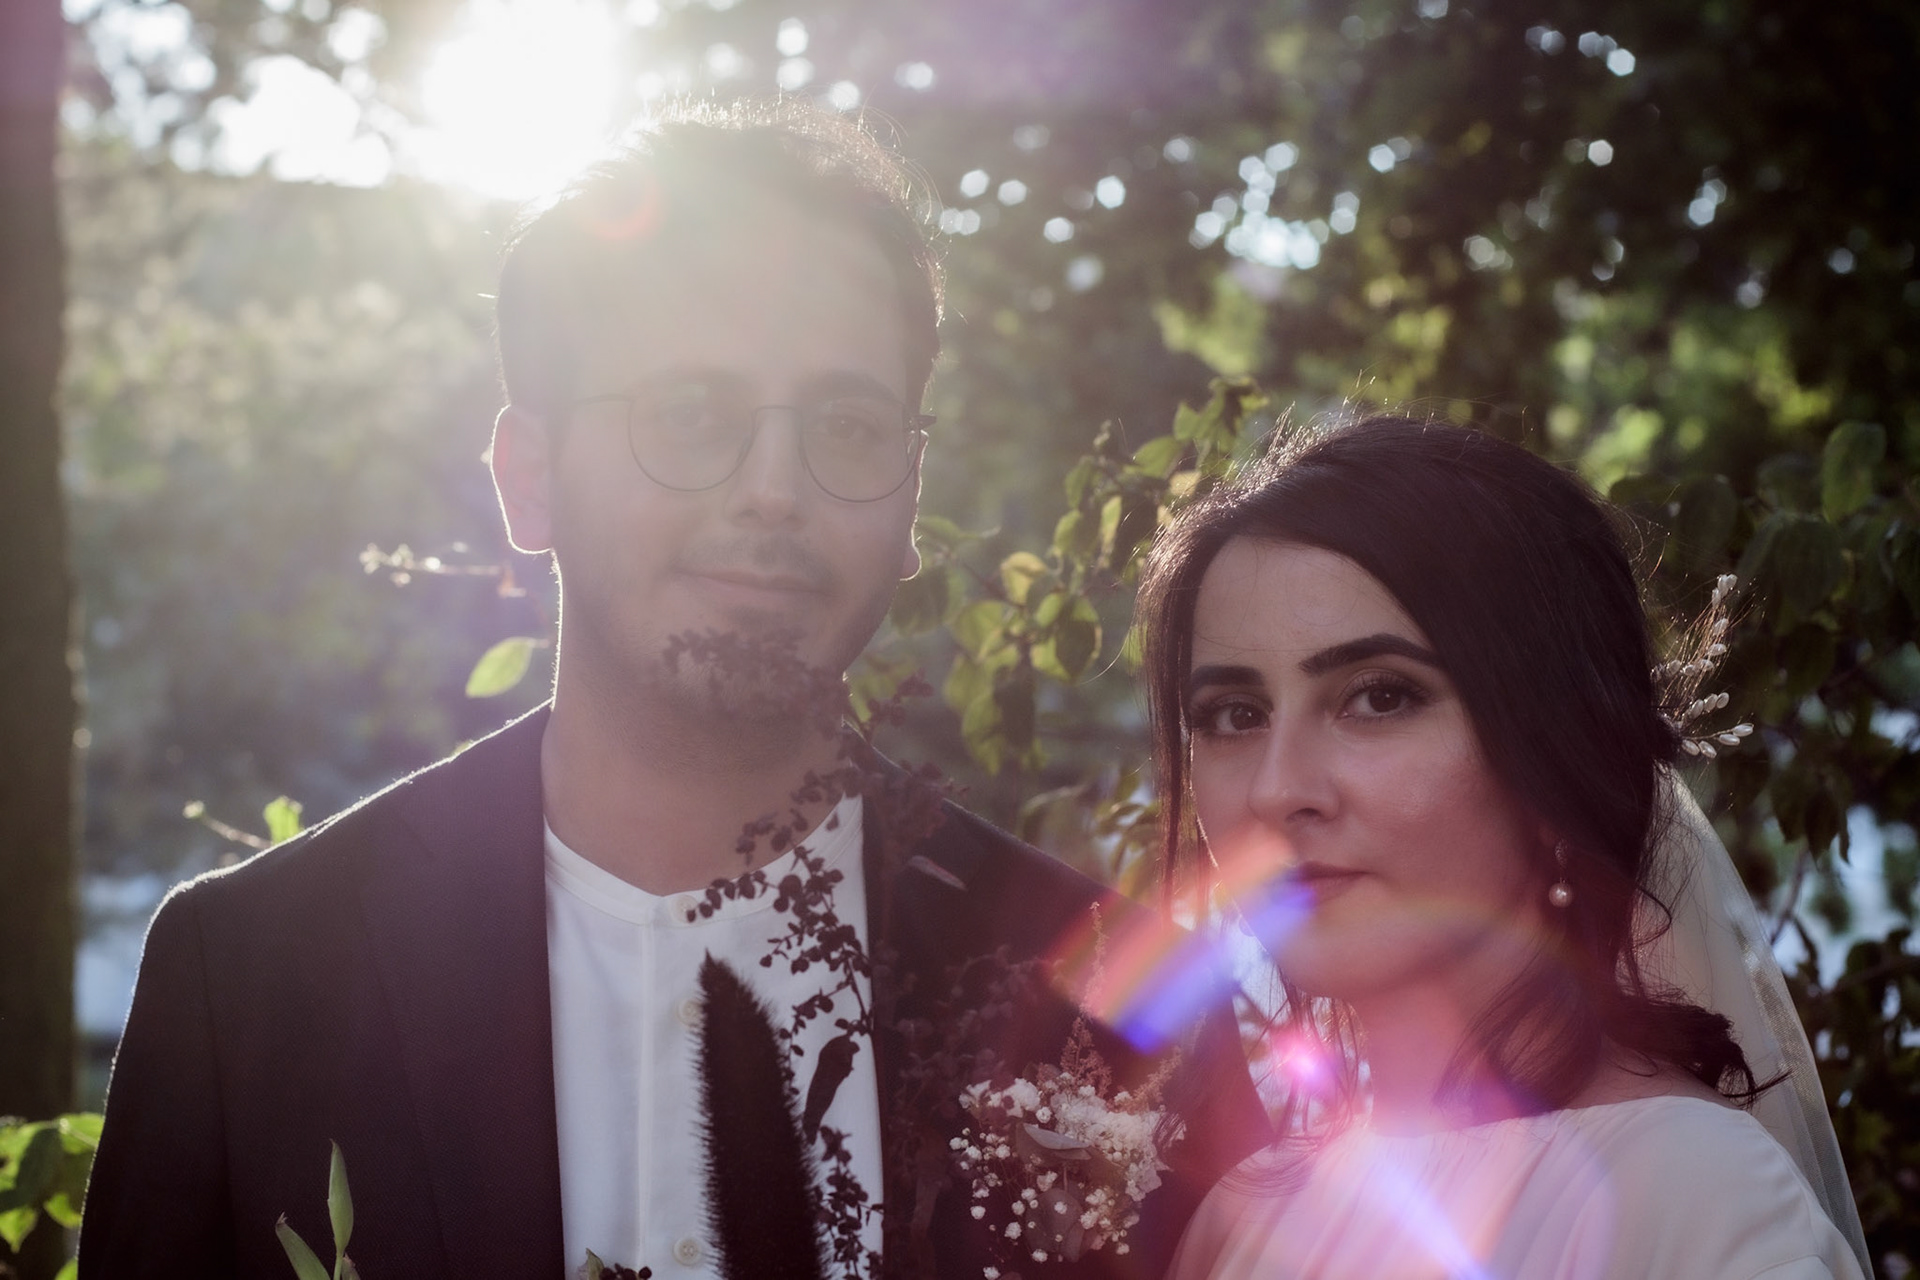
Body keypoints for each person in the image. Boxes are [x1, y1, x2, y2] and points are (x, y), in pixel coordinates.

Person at [78, 100, 1265, 1280]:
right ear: (530, 479)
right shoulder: (250, 979)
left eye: (849, 425)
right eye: (691, 413)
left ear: (912, 492)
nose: (774, 487)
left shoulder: (1127, 1005)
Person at [1133, 416, 1872, 1279]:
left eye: (1379, 697)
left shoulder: (1694, 1201)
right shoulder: (1239, 1223)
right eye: (1233, 715)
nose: (1276, 788)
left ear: (1555, 751)